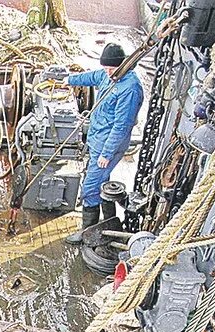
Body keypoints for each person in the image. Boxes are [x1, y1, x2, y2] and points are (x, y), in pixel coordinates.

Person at [64, 42, 144, 244]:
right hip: (96, 138)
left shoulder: (130, 89)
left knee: (90, 188)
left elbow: (121, 126)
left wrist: (106, 154)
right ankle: (109, 221)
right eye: (106, 68)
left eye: (111, 68)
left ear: (123, 65)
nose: (107, 72)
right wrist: (69, 80)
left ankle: (87, 233)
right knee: (101, 181)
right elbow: (93, 76)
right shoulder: (108, 75)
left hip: (109, 146)